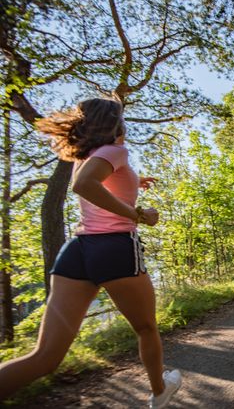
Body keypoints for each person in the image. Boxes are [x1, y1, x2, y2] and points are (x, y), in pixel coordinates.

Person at [0, 98, 182, 408]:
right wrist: (138, 214)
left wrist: (136, 181)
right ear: (114, 124)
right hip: (114, 248)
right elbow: (85, 186)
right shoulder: (114, 151)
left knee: (45, 358)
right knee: (146, 327)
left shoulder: (85, 157)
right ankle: (159, 391)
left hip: (77, 252)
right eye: (121, 120)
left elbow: (95, 180)